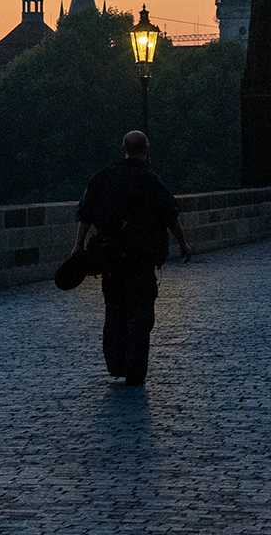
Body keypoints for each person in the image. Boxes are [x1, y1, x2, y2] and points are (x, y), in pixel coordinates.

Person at [73, 131, 192, 387]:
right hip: (141, 261)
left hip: (111, 261)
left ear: (123, 149)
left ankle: (116, 363)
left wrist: (78, 245)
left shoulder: (103, 178)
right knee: (140, 315)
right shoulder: (151, 182)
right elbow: (171, 216)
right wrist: (183, 244)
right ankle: (135, 369)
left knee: (114, 312)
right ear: (146, 150)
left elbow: (86, 212)